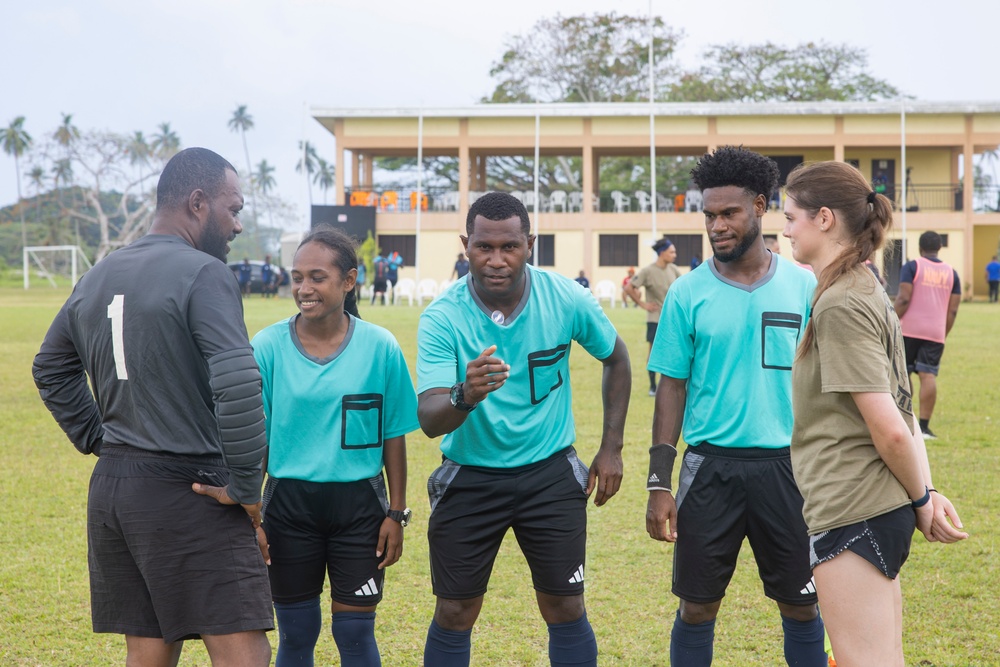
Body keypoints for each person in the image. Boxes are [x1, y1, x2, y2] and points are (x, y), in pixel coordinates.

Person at [32, 147, 273, 666]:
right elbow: (238, 383)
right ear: (197, 202)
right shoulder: (205, 273)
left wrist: (103, 441)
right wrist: (247, 486)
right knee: (245, 656)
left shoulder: (98, 274)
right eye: (234, 209)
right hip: (191, 491)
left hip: (117, 494)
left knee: (148, 655)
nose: (236, 224)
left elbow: (50, 367)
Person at [416, 191, 631, 667]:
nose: (496, 259)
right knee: (455, 610)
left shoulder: (565, 297)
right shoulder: (442, 316)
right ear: (464, 245)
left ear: (530, 243)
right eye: (483, 247)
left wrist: (611, 448)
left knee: (565, 605)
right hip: (470, 476)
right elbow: (430, 419)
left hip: (550, 475)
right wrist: (464, 395)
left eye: (509, 246)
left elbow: (616, 358)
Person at [782, 160, 967, 666]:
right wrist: (921, 495)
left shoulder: (842, 302)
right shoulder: (864, 288)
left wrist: (923, 495)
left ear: (824, 219)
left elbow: (890, 426)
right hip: (871, 507)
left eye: (791, 216)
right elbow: (905, 414)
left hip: (853, 508)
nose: (785, 229)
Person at [644, 146, 824, 666]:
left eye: (729, 213)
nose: (717, 225)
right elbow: (671, 387)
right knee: (697, 609)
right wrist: (660, 481)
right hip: (709, 469)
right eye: (709, 215)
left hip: (789, 469)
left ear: (760, 207)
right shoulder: (687, 293)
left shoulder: (804, 285)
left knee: (802, 606)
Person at [253, 226, 418, 666]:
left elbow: (393, 435)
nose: (304, 289)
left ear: (349, 280)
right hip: (288, 506)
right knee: (297, 633)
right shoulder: (267, 347)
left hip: (360, 508)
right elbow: (256, 441)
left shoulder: (380, 346)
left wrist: (396, 513)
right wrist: (252, 514)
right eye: (297, 277)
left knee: (356, 634)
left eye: (317, 277)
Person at [893, 231, 961, 439]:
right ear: (939, 247)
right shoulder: (952, 273)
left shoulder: (913, 266)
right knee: (928, 374)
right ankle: (924, 427)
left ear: (921, 248)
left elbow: (904, 298)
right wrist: (943, 332)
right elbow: (953, 310)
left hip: (908, 329)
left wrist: (892, 321)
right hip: (935, 331)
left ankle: (906, 420)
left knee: (903, 374)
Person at [623, 236, 682, 397]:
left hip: (672, 319)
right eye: (672, 252)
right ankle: (652, 386)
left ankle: (671, 384)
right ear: (662, 253)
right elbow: (628, 288)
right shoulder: (648, 271)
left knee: (674, 352)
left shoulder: (674, 269)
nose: (675, 254)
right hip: (655, 319)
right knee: (653, 353)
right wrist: (643, 304)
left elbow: (684, 289)